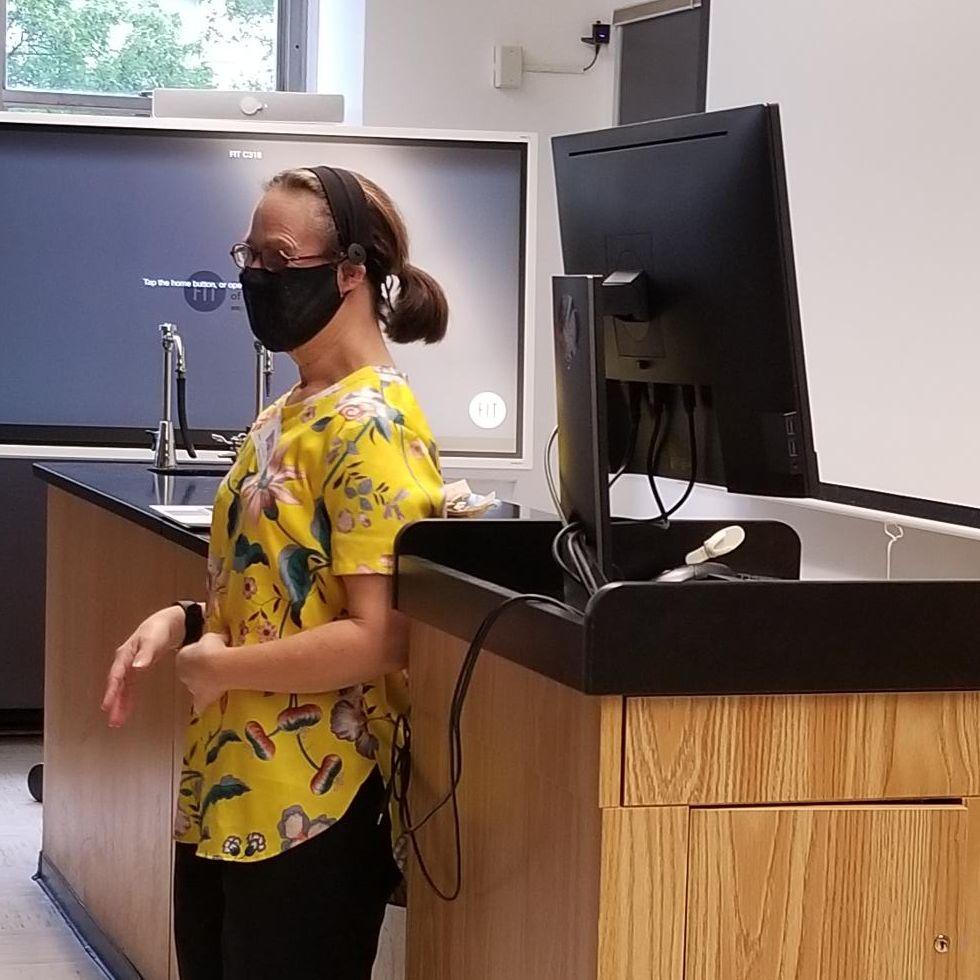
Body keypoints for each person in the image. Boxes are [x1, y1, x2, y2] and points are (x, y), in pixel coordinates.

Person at [101, 165, 447, 979]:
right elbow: (278, 587)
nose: (254, 277)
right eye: (247, 255)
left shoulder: (376, 427)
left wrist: (222, 667)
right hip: (229, 792)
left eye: (276, 257)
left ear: (352, 271)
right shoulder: (289, 410)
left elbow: (379, 638)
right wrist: (183, 621)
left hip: (315, 810)